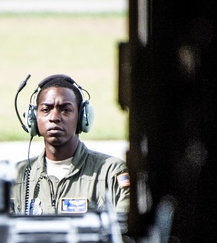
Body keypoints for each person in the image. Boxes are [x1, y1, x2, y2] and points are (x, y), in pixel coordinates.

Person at [11, 74, 130, 215]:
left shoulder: (111, 172)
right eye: (46, 109)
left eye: (65, 110)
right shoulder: (15, 175)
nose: (54, 117)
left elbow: (126, 230)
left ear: (82, 117)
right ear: (33, 118)